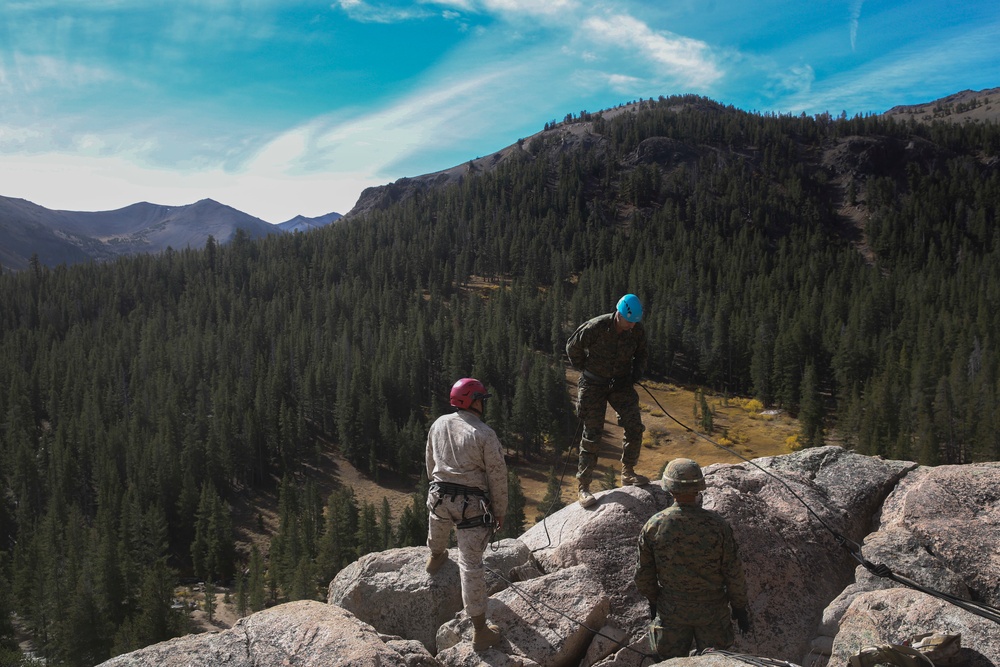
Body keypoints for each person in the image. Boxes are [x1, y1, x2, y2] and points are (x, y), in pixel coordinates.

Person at [634, 458, 751, 658]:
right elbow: (733, 573)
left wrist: (654, 601)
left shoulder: (654, 525)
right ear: (698, 488)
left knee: (668, 662)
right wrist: (739, 607)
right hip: (713, 613)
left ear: (669, 488)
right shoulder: (717, 525)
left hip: (672, 611)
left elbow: (644, 574)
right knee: (716, 661)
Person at [425, 377, 509, 652]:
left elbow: (430, 461)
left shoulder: (438, 423)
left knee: (438, 522)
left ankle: (436, 556)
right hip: (472, 506)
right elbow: (497, 476)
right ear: (472, 401)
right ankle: (480, 631)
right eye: (481, 399)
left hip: (438, 495)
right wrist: (499, 511)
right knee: (471, 566)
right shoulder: (484, 433)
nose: (483, 404)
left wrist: (436, 487)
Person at [566, 293, 650, 508]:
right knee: (592, 434)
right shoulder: (596, 327)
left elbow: (642, 353)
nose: (631, 325)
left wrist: (635, 374)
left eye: (634, 321)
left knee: (634, 426)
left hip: (620, 384)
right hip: (594, 384)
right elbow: (572, 347)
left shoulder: (636, 330)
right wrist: (585, 369)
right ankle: (584, 487)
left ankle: (628, 472)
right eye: (628, 320)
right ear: (619, 313)